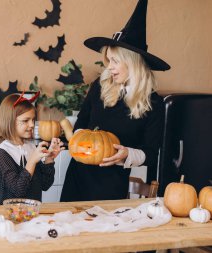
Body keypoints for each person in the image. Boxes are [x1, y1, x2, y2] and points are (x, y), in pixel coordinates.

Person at [60, 0, 170, 202]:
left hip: (111, 185)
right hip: (77, 178)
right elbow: (81, 124)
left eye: (115, 61)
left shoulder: (154, 103)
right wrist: (80, 143)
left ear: (133, 63)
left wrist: (127, 154)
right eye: (108, 60)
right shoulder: (99, 87)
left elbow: (151, 153)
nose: (109, 67)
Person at [0, 92, 64, 205]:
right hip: (9, 217)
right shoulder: (3, 153)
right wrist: (32, 161)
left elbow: (45, 185)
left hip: (32, 215)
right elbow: (18, 190)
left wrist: (49, 159)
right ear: (10, 121)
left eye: (33, 120)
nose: (32, 125)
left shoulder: (31, 147)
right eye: (25, 120)